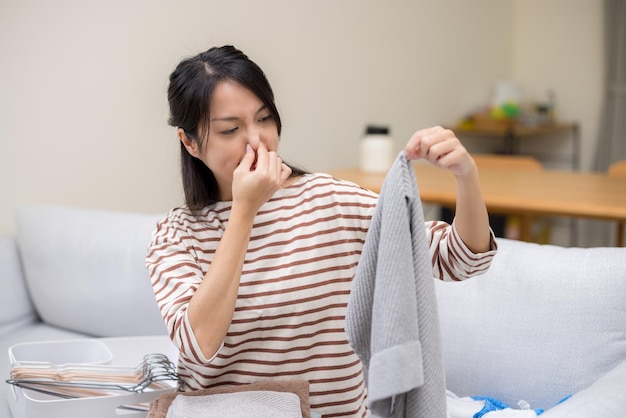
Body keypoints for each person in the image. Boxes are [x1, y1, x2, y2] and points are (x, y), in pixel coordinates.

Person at [146, 45, 497, 417]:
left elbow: (460, 260)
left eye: (264, 119)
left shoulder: (331, 200)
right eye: (230, 129)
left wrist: (466, 175)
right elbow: (198, 345)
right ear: (190, 142)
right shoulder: (176, 235)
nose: (257, 140)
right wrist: (244, 212)